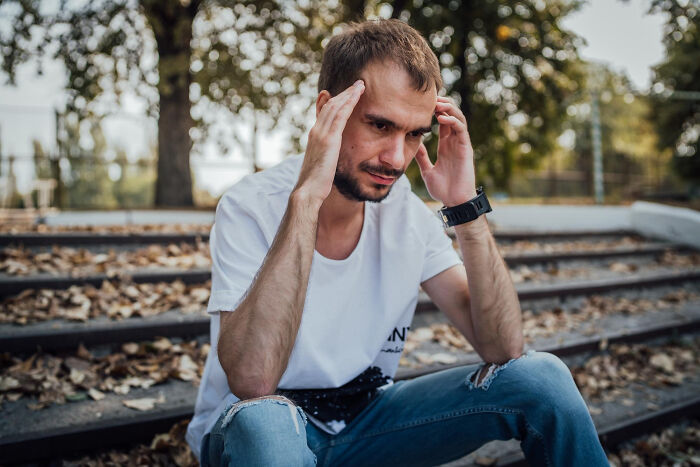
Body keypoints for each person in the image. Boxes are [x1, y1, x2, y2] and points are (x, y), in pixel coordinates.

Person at [186, 19, 609, 467]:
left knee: (542, 378)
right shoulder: (250, 206)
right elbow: (253, 382)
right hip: (257, 436)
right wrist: (307, 198)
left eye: (413, 134)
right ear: (329, 111)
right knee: (265, 423)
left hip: (370, 426)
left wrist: (465, 207)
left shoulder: (405, 212)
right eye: (379, 125)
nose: (396, 158)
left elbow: (503, 349)